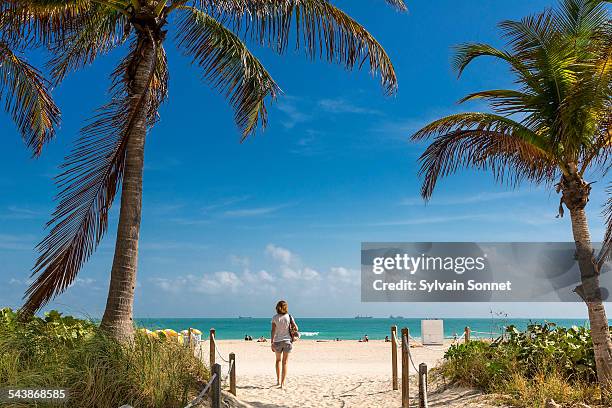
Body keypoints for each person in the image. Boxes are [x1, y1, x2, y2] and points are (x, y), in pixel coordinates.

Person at [271, 300, 298, 388]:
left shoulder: (275, 317)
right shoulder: (289, 317)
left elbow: (273, 331)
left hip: (277, 342)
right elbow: (296, 328)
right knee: (285, 362)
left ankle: (278, 381)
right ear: (286, 307)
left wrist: (272, 342)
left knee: (278, 361)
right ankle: (282, 383)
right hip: (287, 341)